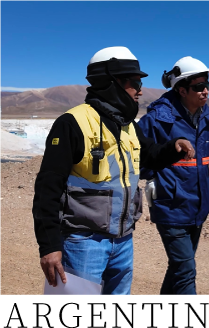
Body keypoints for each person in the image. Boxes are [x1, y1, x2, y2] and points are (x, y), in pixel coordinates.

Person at [33, 47, 196, 295]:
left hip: (123, 241)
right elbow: (48, 187)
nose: (140, 90)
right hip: (83, 243)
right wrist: (49, 246)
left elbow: (149, 154)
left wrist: (173, 148)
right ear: (111, 83)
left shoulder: (127, 125)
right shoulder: (72, 123)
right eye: (134, 82)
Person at [137, 56, 209, 295]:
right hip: (171, 206)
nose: (205, 91)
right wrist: (164, 182)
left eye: (207, 85)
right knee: (186, 272)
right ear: (182, 90)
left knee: (179, 269)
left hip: (198, 205)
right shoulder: (157, 120)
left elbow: (207, 155)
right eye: (198, 87)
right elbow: (139, 157)